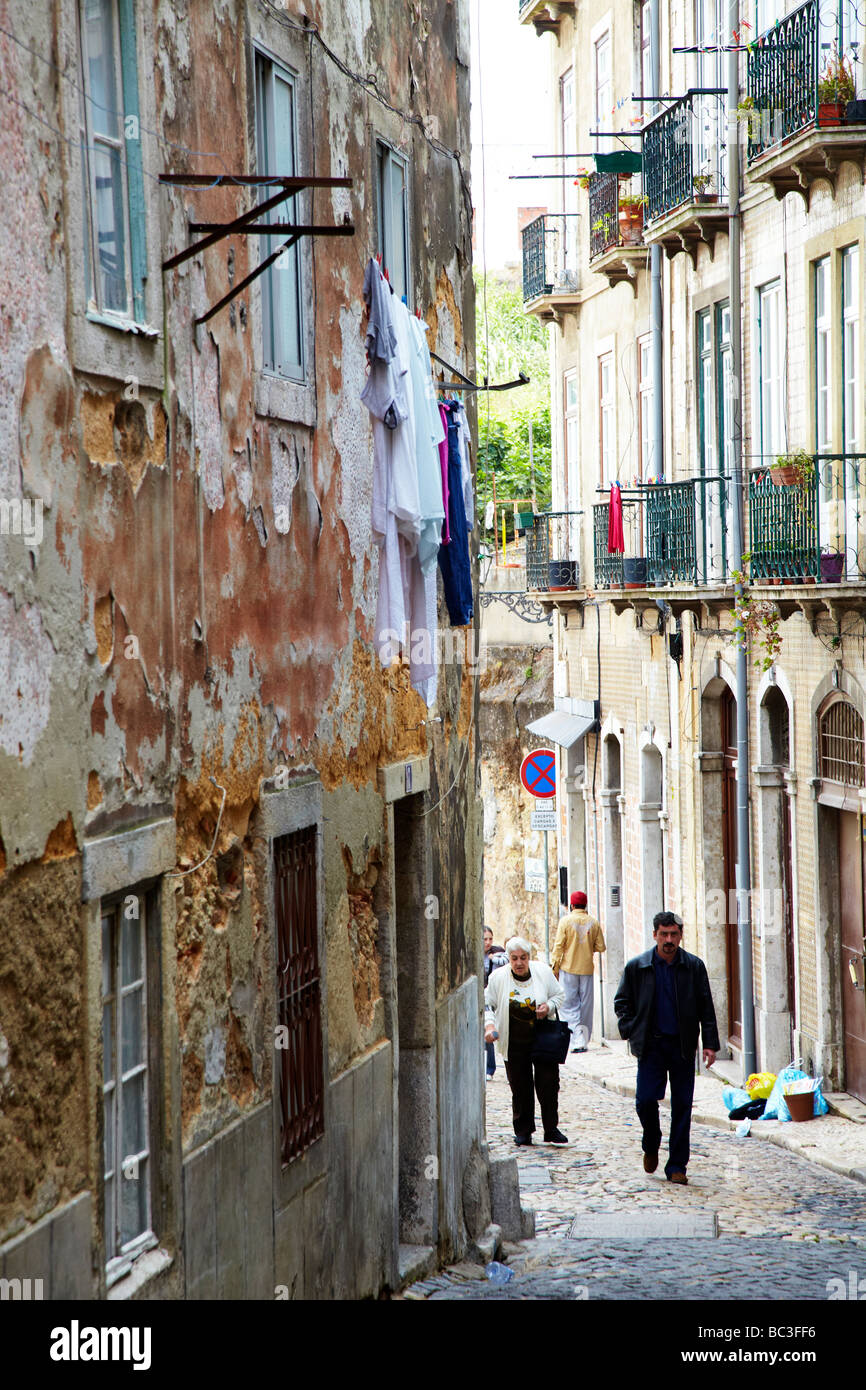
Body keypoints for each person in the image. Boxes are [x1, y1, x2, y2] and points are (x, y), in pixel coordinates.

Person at [614, 911, 719, 1185]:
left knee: (682, 1106)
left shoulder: (694, 967)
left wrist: (709, 1044)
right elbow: (621, 1002)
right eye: (664, 934)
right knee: (645, 1100)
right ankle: (651, 1142)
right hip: (651, 1046)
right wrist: (631, 1030)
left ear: (681, 935)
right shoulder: (637, 967)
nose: (669, 940)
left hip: (683, 1047)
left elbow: (706, 1007)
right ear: (654, 935)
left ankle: (677, 1166)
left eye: (674, 934)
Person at [484, 936, 568, 1146]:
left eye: (523, 958)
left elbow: (559, 995)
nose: (519, 963)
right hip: (514, 1041)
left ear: (529, 957)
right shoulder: (498, 978)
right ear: (509, 959)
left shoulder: (542, 972)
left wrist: (548, 1007)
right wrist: (490, 1026)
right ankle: (523, 1131)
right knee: (520, 1088)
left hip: (542, 1040)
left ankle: (551, 1129)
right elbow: (487, 1005)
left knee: (548, 1084)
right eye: (514, 958)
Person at [550, 890, 605, 1053]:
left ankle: (576, 1040)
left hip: (568, 968)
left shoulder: (565, 922)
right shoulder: (593, 923)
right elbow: (601, 946)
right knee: (586, 1005)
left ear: (572, 905)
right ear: (585, 905)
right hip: (587, 968)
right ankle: (584, 1039)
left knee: (568, 1005)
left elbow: (558, 946)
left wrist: (555, 966)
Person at [483, 927, 508, 1080]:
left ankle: (509, 1069)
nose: (488, 942)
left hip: (497, 997)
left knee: (504, 1032)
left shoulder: (498, 952)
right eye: (485, 939)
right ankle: (489, 1069)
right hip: (483, 997)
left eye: (490, 939)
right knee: (488, 1033)